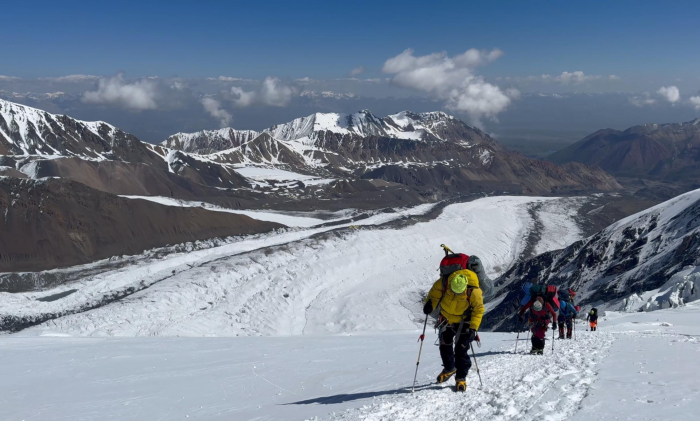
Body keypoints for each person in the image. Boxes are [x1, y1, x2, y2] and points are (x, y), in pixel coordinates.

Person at [423, 268, 484, 392]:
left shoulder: (474, 291)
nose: (455, 294)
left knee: (461, 350)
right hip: (446, 320)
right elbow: (434, 295)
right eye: (453, 291)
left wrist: (473, 329)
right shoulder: (444, 282)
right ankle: (450, 368)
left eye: (459, 292)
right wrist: (429, 305)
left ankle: (461, 377)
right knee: (445, 346)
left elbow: (478, 310)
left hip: (464, 322)